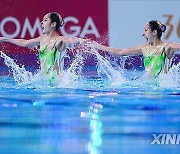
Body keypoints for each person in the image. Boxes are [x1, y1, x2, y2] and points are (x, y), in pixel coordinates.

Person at [0, 12, 87, 84]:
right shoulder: (42, 39)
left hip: (58, 84)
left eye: (45, 20)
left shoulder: (60, 40)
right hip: (44, 83)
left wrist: (79, 40)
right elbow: (24, 43)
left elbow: (70, 40)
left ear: (53, 24)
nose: (42, 23)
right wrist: (5, 39)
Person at [89, 20, 180, 77]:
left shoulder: (167, 46)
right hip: (148, 87)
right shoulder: (143, 48)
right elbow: (121, 52)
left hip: (163, 90)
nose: (142, 34)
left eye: (145, 30)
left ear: (154, 32)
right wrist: (98, 46)